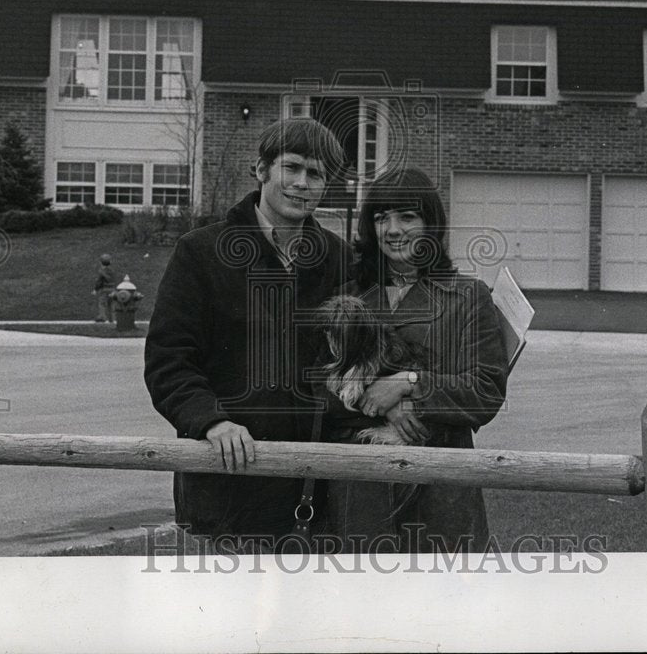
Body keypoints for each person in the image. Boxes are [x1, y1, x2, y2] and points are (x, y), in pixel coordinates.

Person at [144, 118, 350, 551]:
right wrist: (211, 420)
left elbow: (357, 358)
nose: (301, 183)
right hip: (228, 491)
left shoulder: (338, 258)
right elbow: (169, 360)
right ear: (261, 170)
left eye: (315, 174)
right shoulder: (200, 252)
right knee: (222, 618)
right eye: (291, 167)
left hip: (317, 494)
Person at [324, 167, 508, 553]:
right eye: (380, 217)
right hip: (361, 490)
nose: (392, 229)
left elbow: (487, 392)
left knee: (447, 604)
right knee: (364, 601)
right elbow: (318, 387)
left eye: (407, 216)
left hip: (441, 492)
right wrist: (377, 403)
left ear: (431, 224)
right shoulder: (348, 300)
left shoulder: (467, 296)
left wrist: (409, 382)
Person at [92, 253, 116, 322]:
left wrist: (95, 289)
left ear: (101, 262)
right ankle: (112, 319)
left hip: (104, 289)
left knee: (102, 304)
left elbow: (99, 281)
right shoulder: (112, 271)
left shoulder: (101, 271)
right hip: (112, 289)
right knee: (111, 304)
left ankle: (102, 317)